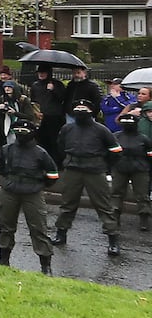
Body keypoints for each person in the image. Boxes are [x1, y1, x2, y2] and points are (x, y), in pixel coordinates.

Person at [50, 101, 123, 255]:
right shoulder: (67, 128)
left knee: (104, 206)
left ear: (91, 111)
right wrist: (68, 161)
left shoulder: (101, 130)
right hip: (73, 169)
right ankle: (61, 234)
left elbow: (116, 150)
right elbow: (60, 146)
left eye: (84, 109)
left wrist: (105, 166)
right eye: (77, 108)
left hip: (95, 171)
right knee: (67, 204)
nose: (80, 111)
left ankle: (113, 240)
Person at [0, 121, 59, 273]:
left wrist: (38, 185)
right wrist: (10, 180)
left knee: (38, 228)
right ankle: (3, 259)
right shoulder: (6, 150)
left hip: (33, 194)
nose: (21, 133)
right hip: (9, 191)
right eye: (18, 130)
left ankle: (45, 266)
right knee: (6, 225)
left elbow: (53, 175)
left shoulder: (40, 153)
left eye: (25, 130)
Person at [108, 112, 152, 233]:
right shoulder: (116, 136)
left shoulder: (143, 138)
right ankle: (115, 216)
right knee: (116, 193)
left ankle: (144, 217)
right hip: (120, 168)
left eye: (130, 123)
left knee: (142, 194)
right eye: (125, 123)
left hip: (140, 169)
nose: (127, 125)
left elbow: (150, 155)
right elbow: (109, 153)